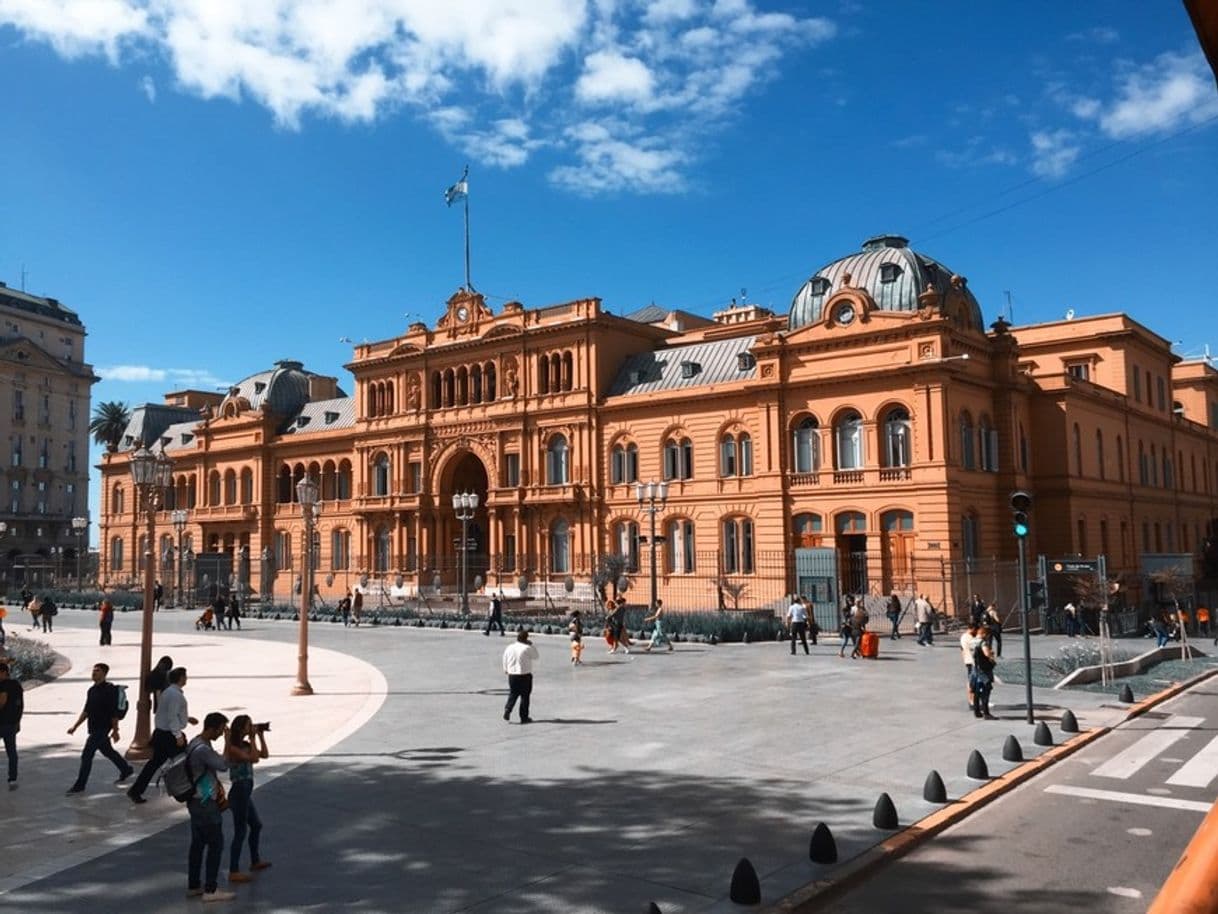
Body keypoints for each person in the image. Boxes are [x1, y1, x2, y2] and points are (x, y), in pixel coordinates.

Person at [185, 712, 235, 902]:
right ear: (213, 728)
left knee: (197, 844)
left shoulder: (195, 743)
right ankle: (211, 889)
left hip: (195, 801)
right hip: (205, 802)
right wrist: (228, 743)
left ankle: (194, 885)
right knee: (216, 844)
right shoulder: (203, 750)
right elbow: (223, 765)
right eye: (221, 730)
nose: (222, 734)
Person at [129, 666, 197, 804]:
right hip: (169, 736)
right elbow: (172, 716)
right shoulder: (175, 695)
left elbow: (168, 713)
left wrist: (187, 719)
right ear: (181, 678)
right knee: (184, 762)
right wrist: (178, 736)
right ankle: (187, 789)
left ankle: (136, 790)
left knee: (154, 764)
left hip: (161, 734)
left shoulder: (167, 692)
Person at [66, 662, 133, 793]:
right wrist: (75, 726)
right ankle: (126, 769)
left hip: (103, 728)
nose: (94, 673)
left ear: (104, 673)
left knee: (86, 755)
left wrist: (115, 730)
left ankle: (80, 785)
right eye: (93, 670)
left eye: (97, 671)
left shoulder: (110, 690)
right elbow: (86, 711)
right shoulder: (91, 691)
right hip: (94, 727)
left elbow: (114, 713)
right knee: (107, 751)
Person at [224, 715, 271, 884]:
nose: (251, 727)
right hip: (239, 792)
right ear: (241, 728)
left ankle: (255, 860)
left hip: (245, 791)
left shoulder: (245, 745)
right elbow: (253, 759)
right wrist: (253, 737)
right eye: (248, 725)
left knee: (256, 825)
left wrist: (260, 736)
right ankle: (233, 870)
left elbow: (264, 754)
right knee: (240, 831)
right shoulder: (233, 748)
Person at [502, 628, 539, 724]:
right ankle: (524, 717)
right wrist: (531, 644)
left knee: (513, 693)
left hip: (512, 675)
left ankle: (508, 709)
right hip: (524, 674)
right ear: (526, 639)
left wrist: (506, 669)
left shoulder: (509, 647)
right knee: (525, 696)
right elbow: (536, 656)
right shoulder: (527, 648)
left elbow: (504, 658)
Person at [0, 661, 23, 789]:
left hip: (2, 722)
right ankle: (12, 779)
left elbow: (2, 701)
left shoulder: (4, 685)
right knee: (12, 752)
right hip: (12, 723)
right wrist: (18, 721)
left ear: (3, 672)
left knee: (11, 751)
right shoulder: (17, 685)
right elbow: (20, 705)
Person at [971, 640, 998, 720]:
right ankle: (986, 713)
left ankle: (977, 711)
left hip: (977, 672)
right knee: (985, 692)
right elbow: (987, 654)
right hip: (983, 673)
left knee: (977, 692)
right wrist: (991, 655)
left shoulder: (975, 644)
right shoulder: (983, 644)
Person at [960, 622, 983, 711]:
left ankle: (974, 700)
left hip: (968, 660)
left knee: (972, 681)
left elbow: (961, 649)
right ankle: (972, 701)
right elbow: (977, 648)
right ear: (973, 629)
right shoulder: (970, 638)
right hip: (972, 661)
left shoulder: (963, 636)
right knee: (973, 681)